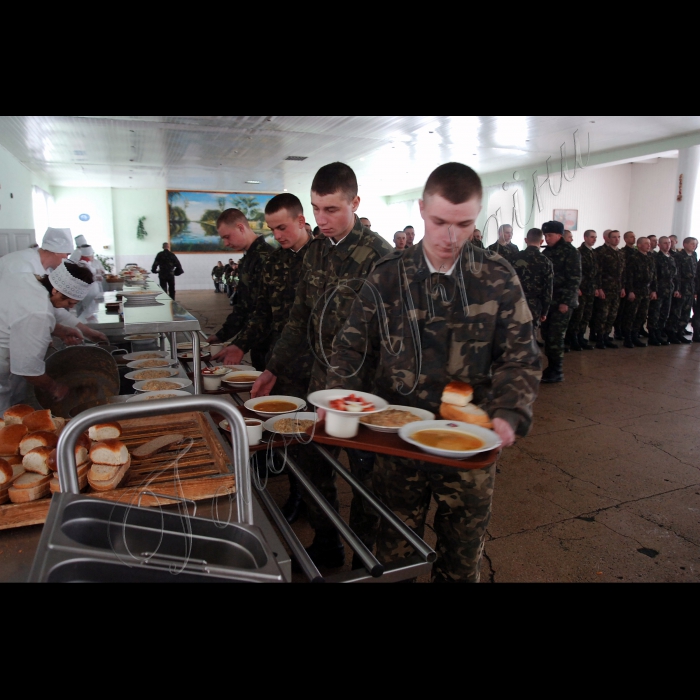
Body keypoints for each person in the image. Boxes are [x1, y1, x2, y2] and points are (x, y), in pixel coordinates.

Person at [328, 162, 541, 583]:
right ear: (422, 209)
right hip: (397, 438)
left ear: (476, 217)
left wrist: (509, 411)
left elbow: (520, 356)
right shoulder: (388, 275)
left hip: (468, 441)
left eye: (463, 224)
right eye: (440, 221)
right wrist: (337, 397)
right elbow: (351, 345)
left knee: (461, 559)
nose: (449, 236)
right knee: (394, 554)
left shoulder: (497, 277)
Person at [251, 162, 393, 569]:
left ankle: (364, 560)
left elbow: (389, 339)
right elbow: (300, 317)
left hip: (362, 395)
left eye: (332, 209)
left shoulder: (380, 257)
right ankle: (327, 543)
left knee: (365, 481)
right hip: (316, 385)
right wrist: (273, 367)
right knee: (312, 469)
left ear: (355, 203)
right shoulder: (313, 253)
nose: (322, 220)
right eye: (316, 209)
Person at [228, 193, 313, 523]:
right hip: (281, 363)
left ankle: (311, 503)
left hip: (315, 368)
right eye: (272, 229)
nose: (276, 236)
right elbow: (263, 313)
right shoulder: (277, 260)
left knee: (312, 443)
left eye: (282, 227)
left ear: (301, 220)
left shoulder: (321, 258)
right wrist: (239, 344)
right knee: (289, 433)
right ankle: (297, 494)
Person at [0, 261, 94, 412]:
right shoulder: (39, 312)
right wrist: (54, 387)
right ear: (56, 291)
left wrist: (61, 330)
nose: (71, 307)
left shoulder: (28, 279)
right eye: (70, 302)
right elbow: (27, 368)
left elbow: (19, 317)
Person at [0, 227, 105, 346]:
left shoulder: (46, 270)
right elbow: (24, 313)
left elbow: (55, 307)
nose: (66, 258)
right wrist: (43, 333)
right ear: (56, 250)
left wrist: (86, 331)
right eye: (66, 254)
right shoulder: (21, 265)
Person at [207, 210, 273, 370]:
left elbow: (266, 311)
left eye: (227, 237)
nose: (226, 244)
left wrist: (240, 345)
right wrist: (222, 335)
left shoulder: (266, 257)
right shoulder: (248, 259)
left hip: (272, 344)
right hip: (257, 341)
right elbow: (243, 306)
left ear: (241, 227)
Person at [540, 221, 582, 383]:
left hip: (562, 303)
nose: (547, 238)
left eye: (549, 235)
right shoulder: (547, 253)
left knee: (556, 337)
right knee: (547, 335)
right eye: (545, 235)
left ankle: (556, 369)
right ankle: (551, 366)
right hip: (549, 302)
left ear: (559, 235)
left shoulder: (570, 252)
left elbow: (574, 279)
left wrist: (566, 302)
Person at [590, 230, 626, 349]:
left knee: (612, 315)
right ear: (607, 238)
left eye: (618, 237)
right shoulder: (601, 252)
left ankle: (606, 336)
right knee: (602, 314)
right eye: (614, 237)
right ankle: (599, 338)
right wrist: (599, 288)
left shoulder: (620, 253)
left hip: (616, 288)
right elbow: (597, 272)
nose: (617, 239)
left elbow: (622, 273)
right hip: (605, 288)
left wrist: (622, 288)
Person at [512, 228, 553, 332]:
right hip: (535, 305)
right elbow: (548, 289)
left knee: (514, 333)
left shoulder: (514, 258)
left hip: (515, 302)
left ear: (526, 240)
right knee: (530, 334)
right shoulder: (546, 262)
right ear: (541, 241)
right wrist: (545, 311)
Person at [567, 229, 601, 351]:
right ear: (585, 238)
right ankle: (573, 338)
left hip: (591, 288)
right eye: (592, 237)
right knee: (578, 315)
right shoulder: (579, 252)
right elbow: (576, 272)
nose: (594, 239)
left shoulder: (594, 253)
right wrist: (577, 288)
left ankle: (581, 336)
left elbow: (597, 272)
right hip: (582, 288)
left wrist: (597, 287)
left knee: (587, 315)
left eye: (595, 237)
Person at [620, 237, 657, 348]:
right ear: (639, 245)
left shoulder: (650, 258)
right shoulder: (633, 258)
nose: (648, 245)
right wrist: (630, 291)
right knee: (631, 315)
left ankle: (635, 336)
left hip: (646, 290)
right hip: (635, 290)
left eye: (649, 243)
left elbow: (654, 276)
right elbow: (629, 276)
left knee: (641, 315)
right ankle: (628, 338)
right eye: (646, 243)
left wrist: (653, 290)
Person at [666, 237, 697, 344]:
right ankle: (671, 333)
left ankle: (680, 332)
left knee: (686, 312)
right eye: (692, 244)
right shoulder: (678, 256)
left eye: (695, 244)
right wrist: (677, 289)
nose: (694, 246)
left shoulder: (694, 255)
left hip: (690, 287)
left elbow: (695, 274)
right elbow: (677, 274)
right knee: (676, 311)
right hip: (681, 286)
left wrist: (695, 290)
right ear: (685, 244)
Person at [648, 236, 678, 346]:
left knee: (664, 314)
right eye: (665, 243)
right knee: (655, 313)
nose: (668, 245)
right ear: (659, 245)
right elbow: (654, 276)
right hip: (659, 289)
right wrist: (653, 290)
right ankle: (652, 335)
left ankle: (659, 334)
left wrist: (676, 288)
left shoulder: (671, 257)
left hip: (669, 289)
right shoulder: (656, 257)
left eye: (669, 243)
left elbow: (675, 276)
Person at [614, 231, 637, 339]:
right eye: (631, 237)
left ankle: (628, 330)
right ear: (626, 239)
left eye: (634, 237)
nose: (634, 238)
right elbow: (625, 271)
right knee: (621, 310)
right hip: (625, 284)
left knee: (631, 312)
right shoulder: (623, 252)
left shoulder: (636, 252)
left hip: (634, 285)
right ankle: (618, 331)